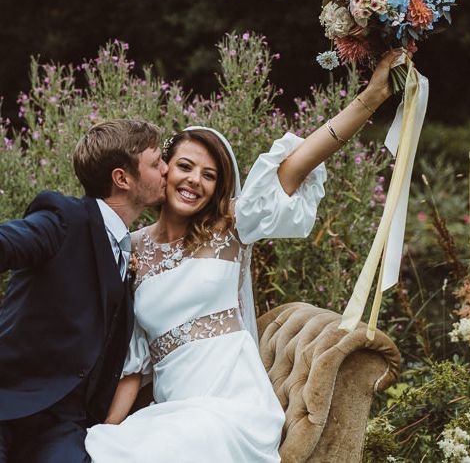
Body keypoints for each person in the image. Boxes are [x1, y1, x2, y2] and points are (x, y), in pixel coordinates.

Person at [84, 52, 397, 462]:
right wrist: (108, 431)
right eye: (184, 166)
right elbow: (134, 364)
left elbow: (302, 160)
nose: (195, 180)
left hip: (233, 410)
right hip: (173, 412)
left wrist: (371, 98)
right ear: (163, 173)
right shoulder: (133, 249)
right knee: (98, 448)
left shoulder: (231, 227)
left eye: (209, 175)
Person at [0, 119, 167, 463]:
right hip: (7, 398)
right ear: (122, 178)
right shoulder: (64, 220)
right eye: (156, 163)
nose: (167, 169)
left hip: (63, 424)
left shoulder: (131, 252)